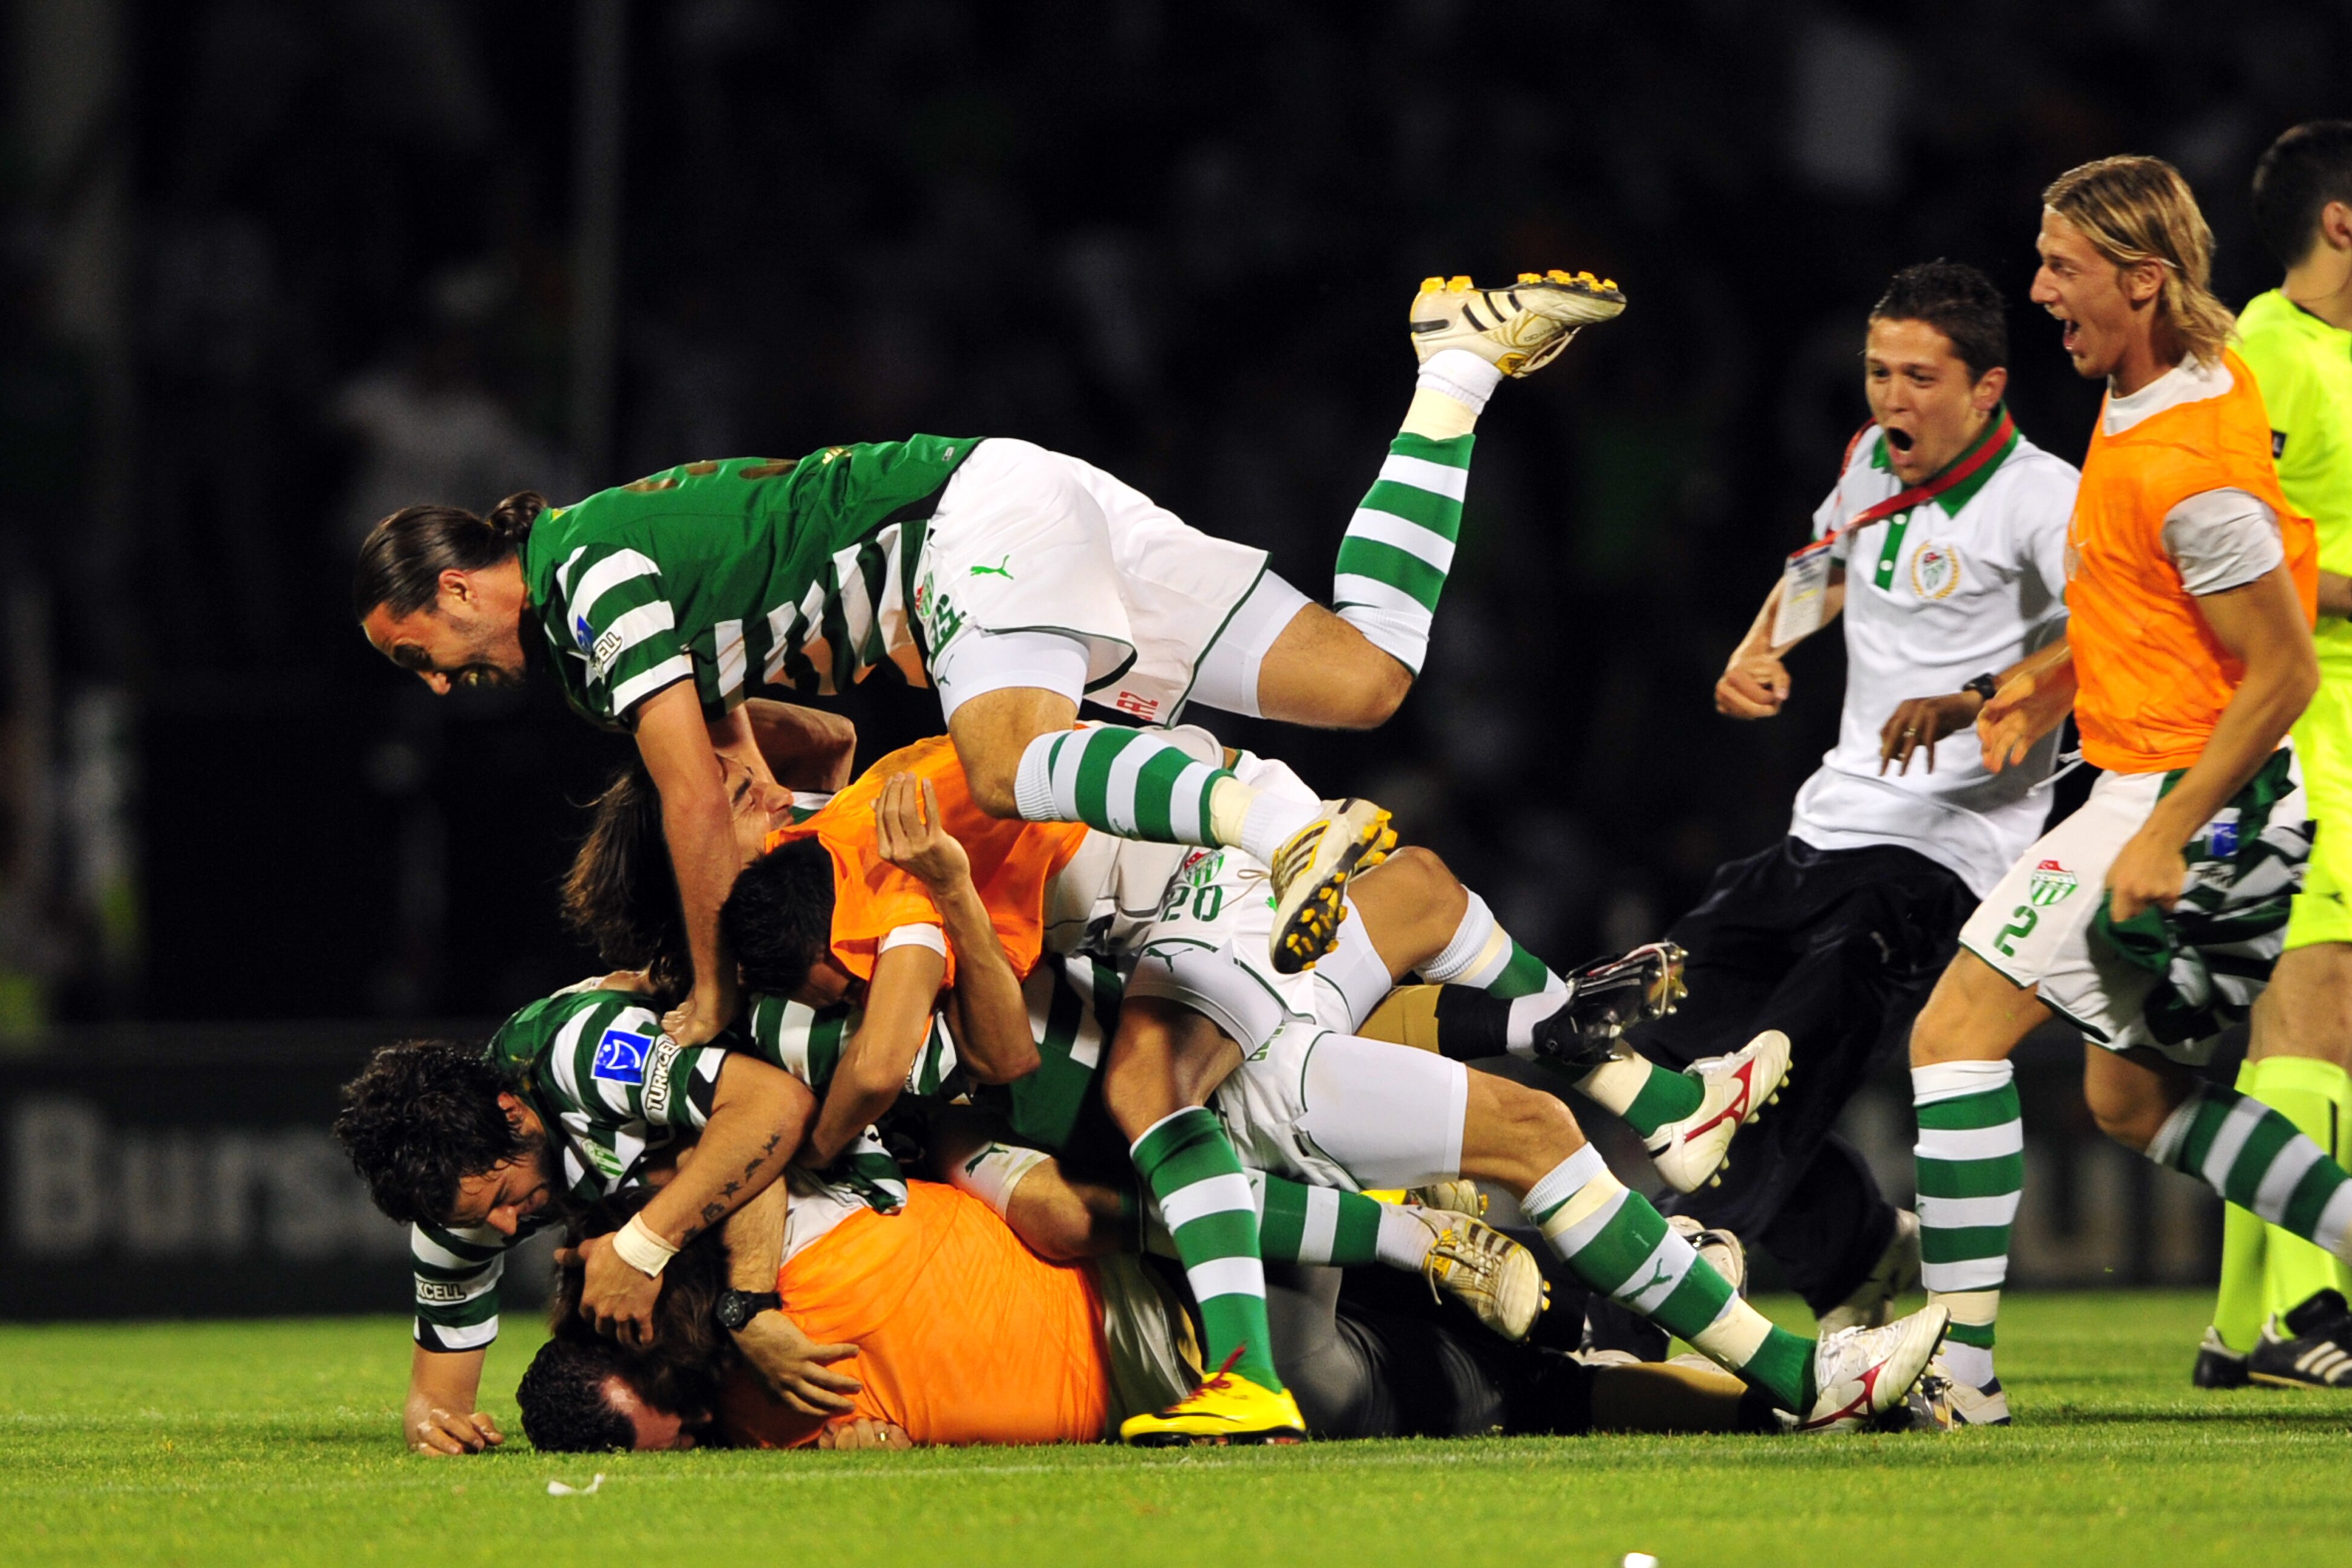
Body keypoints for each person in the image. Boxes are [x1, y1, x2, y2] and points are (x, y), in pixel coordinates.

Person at [353, 269, 1627, 1444]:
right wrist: (748, 749)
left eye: (418, 652)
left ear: (460, 589)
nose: (436, 683)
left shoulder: (580, 591)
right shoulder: (616, 579)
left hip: (960, 531)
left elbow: (691, 806)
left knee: (1015, 761)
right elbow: (759, 748)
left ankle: (1293, 840)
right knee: (1362, 681)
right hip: (1011, 515)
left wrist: (709, 993)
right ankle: (1456, 373)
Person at [723, 750, 1949, 1437]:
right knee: (1492, 1185)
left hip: (1238, 1007)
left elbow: (815, 776)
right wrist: (1405, 1238)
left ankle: (1617, 1078)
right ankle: (1756, 1350)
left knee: (1414, 887)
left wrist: (774, 790)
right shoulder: (941, 1090)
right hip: (1239, 1103)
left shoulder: (925, 919)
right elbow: (1016, 1141)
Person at [1906, 154, 2352, 1426]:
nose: (2038, 290)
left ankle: (1962, 1376)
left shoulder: (2195, 460)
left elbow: (2276, 673)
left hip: (2189, 797)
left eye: (2064, 267)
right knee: (2133, 1097)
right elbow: (2145, 605)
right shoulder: (2155, 387)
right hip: (2170, 780)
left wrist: (2164, 829)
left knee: (1952, 1037)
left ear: (2144, 279)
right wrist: (2045, 680)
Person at [1617, 261, 2081, 1333]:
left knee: (1791, 1038)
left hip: (1952, 839)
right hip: (1828, 817)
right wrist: (1758, 648)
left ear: (1987, 387)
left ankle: (1697, 1241)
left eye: (1918, 375)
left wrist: (1978, 701)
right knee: (1652, 1014)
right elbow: (1821, 562)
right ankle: (1859, 1249)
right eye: (1878, 371)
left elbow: (2098, 633)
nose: (1890, 397)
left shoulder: (2044, 499)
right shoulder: (1872, 463)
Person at [515, 1181, 1806, 1451]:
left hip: (1185, 1338)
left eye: (664, 1429)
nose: (690, 1444)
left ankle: (1683, 1324)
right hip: (1186, 1339)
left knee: (1528, 1388)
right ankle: (1682, 1312)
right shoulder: (776, 1282)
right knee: (1525, 1385)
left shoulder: (767, 1339)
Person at [331, 996, 824, 1456]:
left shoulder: (585, 1054)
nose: (504, 1228)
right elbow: (434, 1397)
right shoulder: (462, 1207)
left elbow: (777, 1105)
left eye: (503, 1197)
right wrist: (435, 1426)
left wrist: (640, 1248)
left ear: (513, 1112)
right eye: (480, 1219)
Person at [2199, 120, 2352, 1390]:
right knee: (2316, 1003)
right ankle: (2307, 1305)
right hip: (2300, 720)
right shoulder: (2266, 356)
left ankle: (2239, 1318)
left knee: (2307, 1034)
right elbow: (2236, 555)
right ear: (2341, 224)